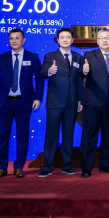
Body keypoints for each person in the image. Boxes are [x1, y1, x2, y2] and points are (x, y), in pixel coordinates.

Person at [0, 28, 43, 179]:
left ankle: (19, 167)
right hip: (4, 103)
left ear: (23, 40)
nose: (14, 41)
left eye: (17, 38)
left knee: (22, 136)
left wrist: (37, 98)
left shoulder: (32, 57)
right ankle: (2, 168)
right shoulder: (2, 57)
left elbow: (39, 78)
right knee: (2, 136)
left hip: (24, 103)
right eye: (11, 38)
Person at [80, 28, 109, 178]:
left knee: (108, 135)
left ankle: (105, 165)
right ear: (97, 41)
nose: (105, 40)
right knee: (89, 135)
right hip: (93, 101)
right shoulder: (89, 55)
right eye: (102, 38)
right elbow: (82, 74)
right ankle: (86, 168)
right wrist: (84, 71)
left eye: (108, 38)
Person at [38, 27, 83, 178]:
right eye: (62, 37)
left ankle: (67, 165)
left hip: (72, 102)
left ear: (72, 40)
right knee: (51, 135)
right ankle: (47, 166)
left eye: (68, 37)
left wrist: (80, 99)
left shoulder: (78, 57)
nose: (65, 39)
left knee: (68, 135)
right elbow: (42, 73)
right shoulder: (50, 56)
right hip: (55, 102)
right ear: (57, 40)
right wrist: (49, 71)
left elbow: (80, 80)